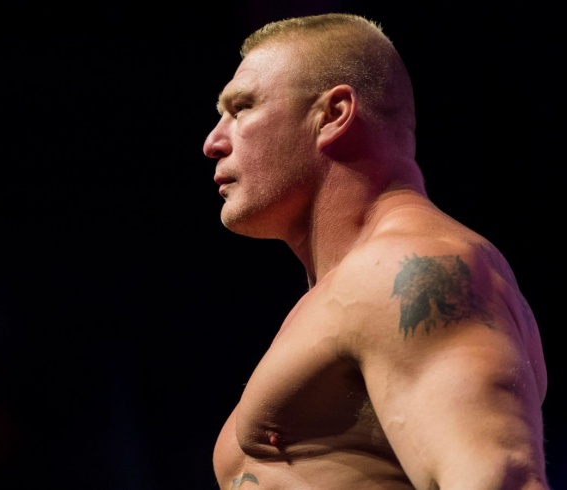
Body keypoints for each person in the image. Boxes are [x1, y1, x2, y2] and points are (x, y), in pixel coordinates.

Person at [202, 12, 548, 489]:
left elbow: (501, 479)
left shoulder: (412, 270)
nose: (213, 142)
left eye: (242, 108)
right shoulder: (351, 285)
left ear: (333, 115)